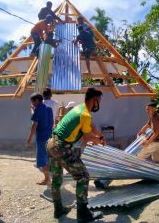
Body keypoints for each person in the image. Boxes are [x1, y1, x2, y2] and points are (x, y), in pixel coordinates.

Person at [46, 88, 105, 222]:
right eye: (99, 100)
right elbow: (86, 137)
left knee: (56, 178)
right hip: (61, 147)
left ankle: (58, 209)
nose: (99, 104)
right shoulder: (85, 114)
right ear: (94, 100)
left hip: (51, 144)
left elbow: (89, 127)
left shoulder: (79, 109)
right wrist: (98, 140)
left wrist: (99, 136)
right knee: (83, 176)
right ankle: (83, 214)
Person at [27, 93, 53, 185]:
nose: (32, 104)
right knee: (49, 157)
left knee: (42, 158)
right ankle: (51, 177)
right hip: (50, 137)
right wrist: (32, 109)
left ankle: (47, 179)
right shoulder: (49, 109)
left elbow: (34, 124)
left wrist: (29, 138)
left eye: (33, 102)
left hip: (41, 137)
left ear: (37, 100)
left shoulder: (38, 109)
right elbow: (36, 117)